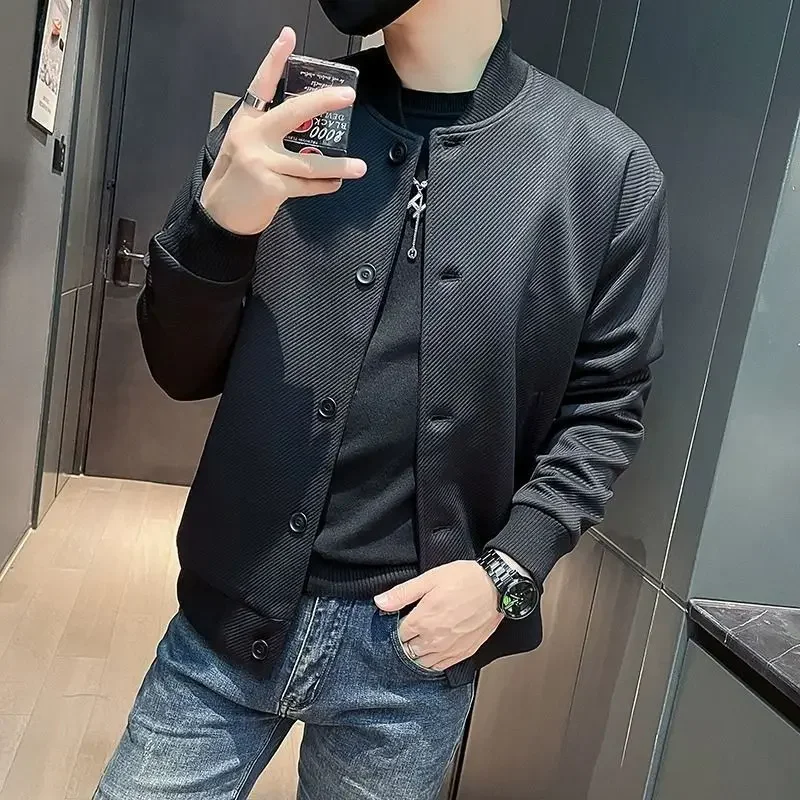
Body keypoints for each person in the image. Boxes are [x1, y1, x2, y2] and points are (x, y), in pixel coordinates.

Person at [94, 0, 669, 798]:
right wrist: (218, 228)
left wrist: (509, 574)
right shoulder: (285, 120)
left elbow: (605, 407)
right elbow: (178, 368)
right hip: (227, 619)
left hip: (414, 656)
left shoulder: (603, 169)